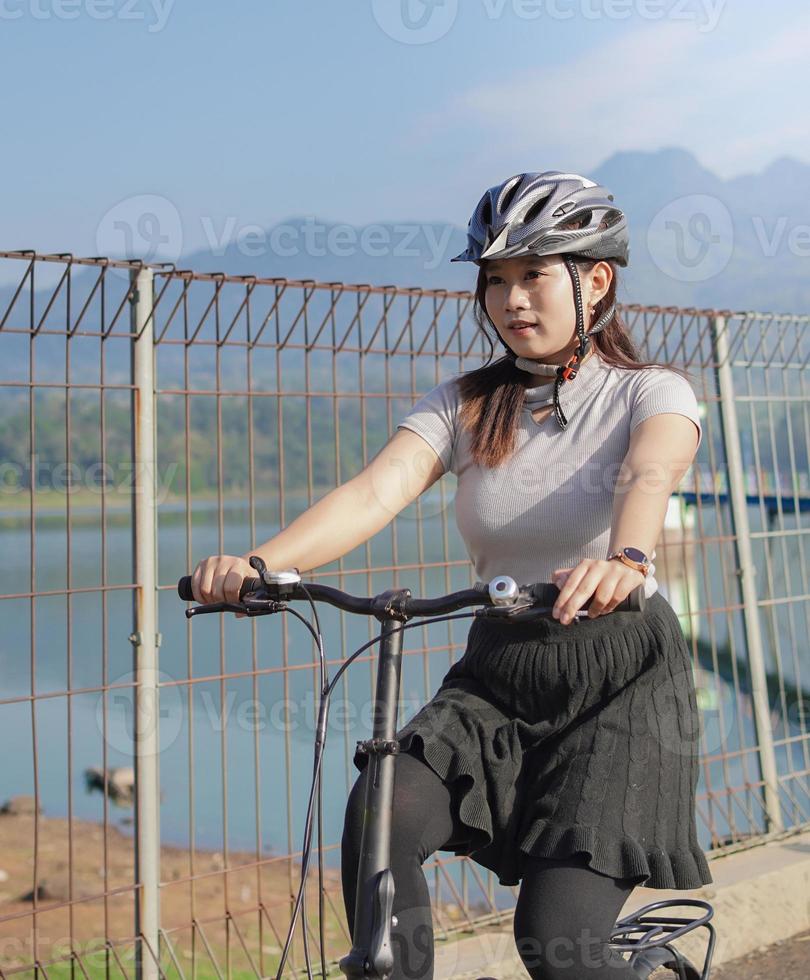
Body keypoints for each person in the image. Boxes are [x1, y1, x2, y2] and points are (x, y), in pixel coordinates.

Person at [190, 170, 713, 980]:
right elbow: (375, 491)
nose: (513, 300)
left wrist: (627, 559)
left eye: (534, 274)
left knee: (558, 947)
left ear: (596, 279)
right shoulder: (468, 405)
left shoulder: (651, 393)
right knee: (381, 812)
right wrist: (262, 566)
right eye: (495, 281)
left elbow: (650, 473)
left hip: (619, 679)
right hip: (498, 673)